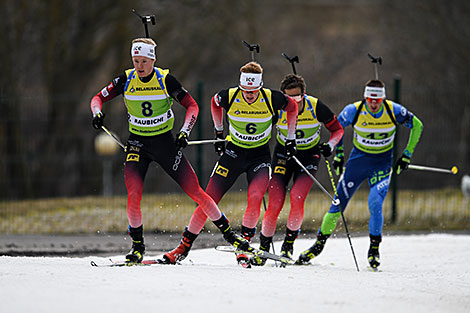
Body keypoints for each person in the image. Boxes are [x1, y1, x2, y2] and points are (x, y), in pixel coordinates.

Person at [89, 38, 252, 264]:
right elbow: (97, 98)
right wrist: (97, 113)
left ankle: (230, 236)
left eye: (144, 61)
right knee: (134, 196)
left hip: (165, 143)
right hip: (137, 144)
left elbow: (192, 106)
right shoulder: (125, 79)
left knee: (195, 191)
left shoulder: (165, 79)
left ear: (153, 60)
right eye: (135, 60)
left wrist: (184, 132)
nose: (139, 65)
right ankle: (137, 247)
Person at [160, 61, 299, 265]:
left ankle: (242, 247)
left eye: (253, 91)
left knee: (254, 197)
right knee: (209, 198)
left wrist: (291, 138)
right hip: (233, 153)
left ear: (260, 87)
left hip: (259, 157)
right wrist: (218, 133)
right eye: (245, 91)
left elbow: (293, 107)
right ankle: (183, 248)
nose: (249, 95)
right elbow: (214, 103)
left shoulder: (272, 98)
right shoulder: (230, 95)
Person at [296, 79, 423, 269]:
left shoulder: (393, 110)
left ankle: (374, 249)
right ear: (365, 97)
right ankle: (318, 245)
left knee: (375, 203)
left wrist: (407, 155)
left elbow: (418, 125)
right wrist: (338, 154)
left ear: (383, 99)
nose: (373, 104)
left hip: (381, 165)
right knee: (337, 205)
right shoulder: (354, 110)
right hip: (357, 164)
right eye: (370, 99)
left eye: (377, 100)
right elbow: (337, 129)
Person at [254, 74, 343, 265]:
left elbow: (338, 130)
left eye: (297, 97)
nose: (292, 102)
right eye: (288, 98)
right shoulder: (279, 108)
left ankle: (288, 246)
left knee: (297, 197)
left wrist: (330, 145)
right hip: (283, 156)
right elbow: (260, 127)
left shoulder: (315, 106)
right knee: (275, 203)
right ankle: (263, 248)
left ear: (304, 93)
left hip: (308, 157)